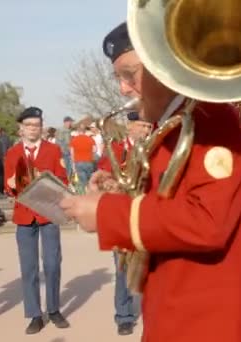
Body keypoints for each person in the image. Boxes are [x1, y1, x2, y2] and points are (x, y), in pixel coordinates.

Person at [59, 22, 241, 342]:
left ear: (161, 66)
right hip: (184, 311)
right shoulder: (172, 125)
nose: (123, 88)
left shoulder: (210, 118)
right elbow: (173, 202)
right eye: (119, 78)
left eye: (130, 74)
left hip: (218, 321)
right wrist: (120, 191)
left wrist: (108, 212)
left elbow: (208, 220)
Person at [4, 107, 70, 334]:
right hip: (24, 216)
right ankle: (34, 314)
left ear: (41, 127)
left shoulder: (53, 150)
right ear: (21, 128)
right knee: (29, 268)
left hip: (48, 213)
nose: (33, 129)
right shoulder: (12, 153)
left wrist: (48, 181)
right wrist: (10, 185)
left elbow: (63, 179)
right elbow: (7, 184)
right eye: (29, 125)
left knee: (52, 264)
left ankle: (53, 309)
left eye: (37, 125)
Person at [96, 111, 149, 336]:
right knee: (122, 268)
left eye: (148, 127)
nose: (146, 131)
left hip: (148, 213)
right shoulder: (116, 150)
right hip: (122, 214)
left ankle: (153, 311)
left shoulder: (155, 150)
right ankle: (124, 316)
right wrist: (108, 183)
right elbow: (101, 175)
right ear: (130, 127)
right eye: (142, 126)